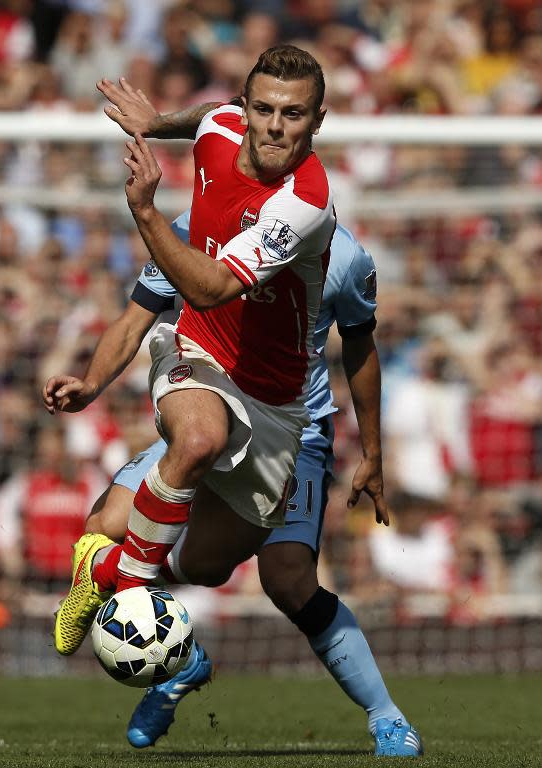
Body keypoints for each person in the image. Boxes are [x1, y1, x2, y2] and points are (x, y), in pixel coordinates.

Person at [48, 207, 423, 757]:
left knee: (283, 579)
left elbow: (361, 347)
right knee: (107, 523)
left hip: (292, 431)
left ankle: (386, 717)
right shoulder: (193, 227)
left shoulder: (344, 256)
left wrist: (373, 452)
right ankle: (173, 659)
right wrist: (91, 383)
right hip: (207, 407)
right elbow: (136, 318)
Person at [45, 45, 339, 656]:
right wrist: (157, 125)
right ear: (246, 108)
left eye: (293, 114)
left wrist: (146, 211)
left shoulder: (303, 203)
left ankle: (101, 572)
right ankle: (127, 598)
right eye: (263, 109)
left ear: (318, 120)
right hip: (199, 353)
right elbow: (210, 116)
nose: (275, 127)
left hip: (277, 404)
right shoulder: (221, 127)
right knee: (199, 437)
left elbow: (209, 288)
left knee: (206, 565)